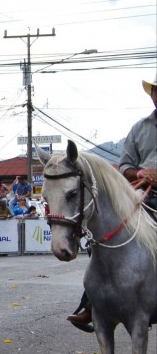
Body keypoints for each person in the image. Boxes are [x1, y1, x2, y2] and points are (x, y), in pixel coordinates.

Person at [69, 75, 157, 333]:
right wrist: (140, 174)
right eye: (155, 91)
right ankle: (90, 303)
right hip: (142, 196)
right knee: (107, 235)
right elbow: (127, 165)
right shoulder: (139, 128)